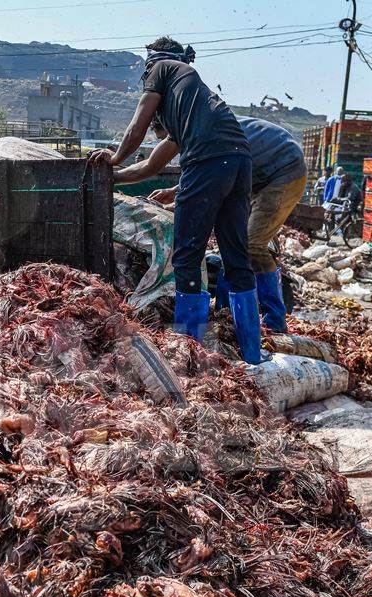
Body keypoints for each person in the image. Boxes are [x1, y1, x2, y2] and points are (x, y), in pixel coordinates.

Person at [89, 35, 261, 364]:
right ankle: (252, 354)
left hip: (208, 161)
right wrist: (115, 177)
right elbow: (153, 164)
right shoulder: (192, 106)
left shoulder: (163, 67)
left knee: (185, 258)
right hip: (239, 160)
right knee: (236, 259)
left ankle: (187, 355)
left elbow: (138, 125)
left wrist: (114, 158)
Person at [117, 116, 305, 333]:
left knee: (252, 246)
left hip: (282, 171)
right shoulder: (199, 130)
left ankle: (275, 320)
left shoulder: (200, 130)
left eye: (168, 141)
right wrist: (175, 192)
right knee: (232, 248)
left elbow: (209, 174)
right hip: (254, 175)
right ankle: (226, 312)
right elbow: (205, 169)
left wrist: (180, 201)